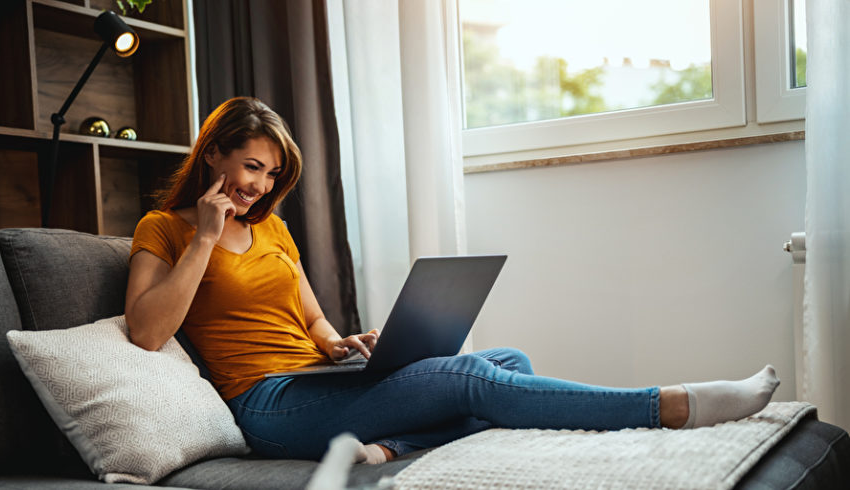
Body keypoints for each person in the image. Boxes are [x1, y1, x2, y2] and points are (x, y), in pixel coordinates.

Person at [125, 96, 780, 464]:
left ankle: (392, 446)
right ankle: (668, 406)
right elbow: (148, 332)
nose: (259, 185)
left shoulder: (272, 228)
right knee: (470, 379)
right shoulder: (164, 229)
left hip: (318, 382)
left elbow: (312, 318)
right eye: (249, 166)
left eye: (270, 173)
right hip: (267, 409)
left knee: (508, 361)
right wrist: (205, 239)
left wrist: (340, 344)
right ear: (211, 153)